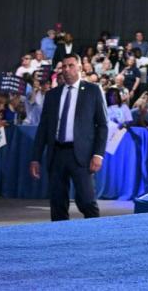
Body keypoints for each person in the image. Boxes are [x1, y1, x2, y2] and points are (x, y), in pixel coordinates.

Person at [29, 54, 108, 221]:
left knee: (87, 202)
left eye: (71, 65)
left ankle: (97, 238)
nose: (66, 69)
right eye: (64, 66)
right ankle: (60, 241)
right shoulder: (52, 95)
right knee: (57, 203)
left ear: (79, 67)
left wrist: (98, 154)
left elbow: (102, 125)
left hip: (81, 155)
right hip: (56, 153)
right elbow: (43, 128)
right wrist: (35, 158)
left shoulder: (93, 90)